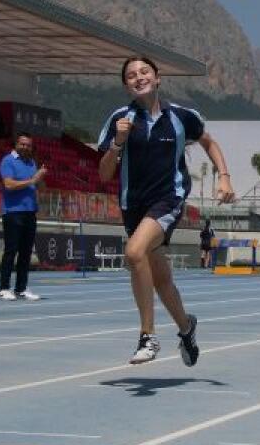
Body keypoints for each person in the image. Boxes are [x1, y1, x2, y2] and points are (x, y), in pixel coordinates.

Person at [97, 55, 235, 365]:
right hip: (132, 206)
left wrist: (224, 177)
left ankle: (147, 336)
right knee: (161, 280)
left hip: (168, 200)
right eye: (131, 75)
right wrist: (118, 142)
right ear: (126, 85)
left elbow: (209, 143)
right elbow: (105, 173)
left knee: (134, 253)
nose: (138, 77)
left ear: (157, 78)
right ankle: (186, 328)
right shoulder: (120, 118)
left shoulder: (182, 116)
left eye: (144, 71)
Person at [0, 133, 46, 301]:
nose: (25, 147)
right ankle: (4, 287)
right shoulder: (8, 161)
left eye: (29, 145)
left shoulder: (32, 162)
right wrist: (32, 180)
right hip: (13, 212)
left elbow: (41, 187)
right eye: (22, 144)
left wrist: (40, 177)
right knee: (11, 251)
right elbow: (9, 184)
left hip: (30, 212)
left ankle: (21, 288)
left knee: (26, 252)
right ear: (16, 144)